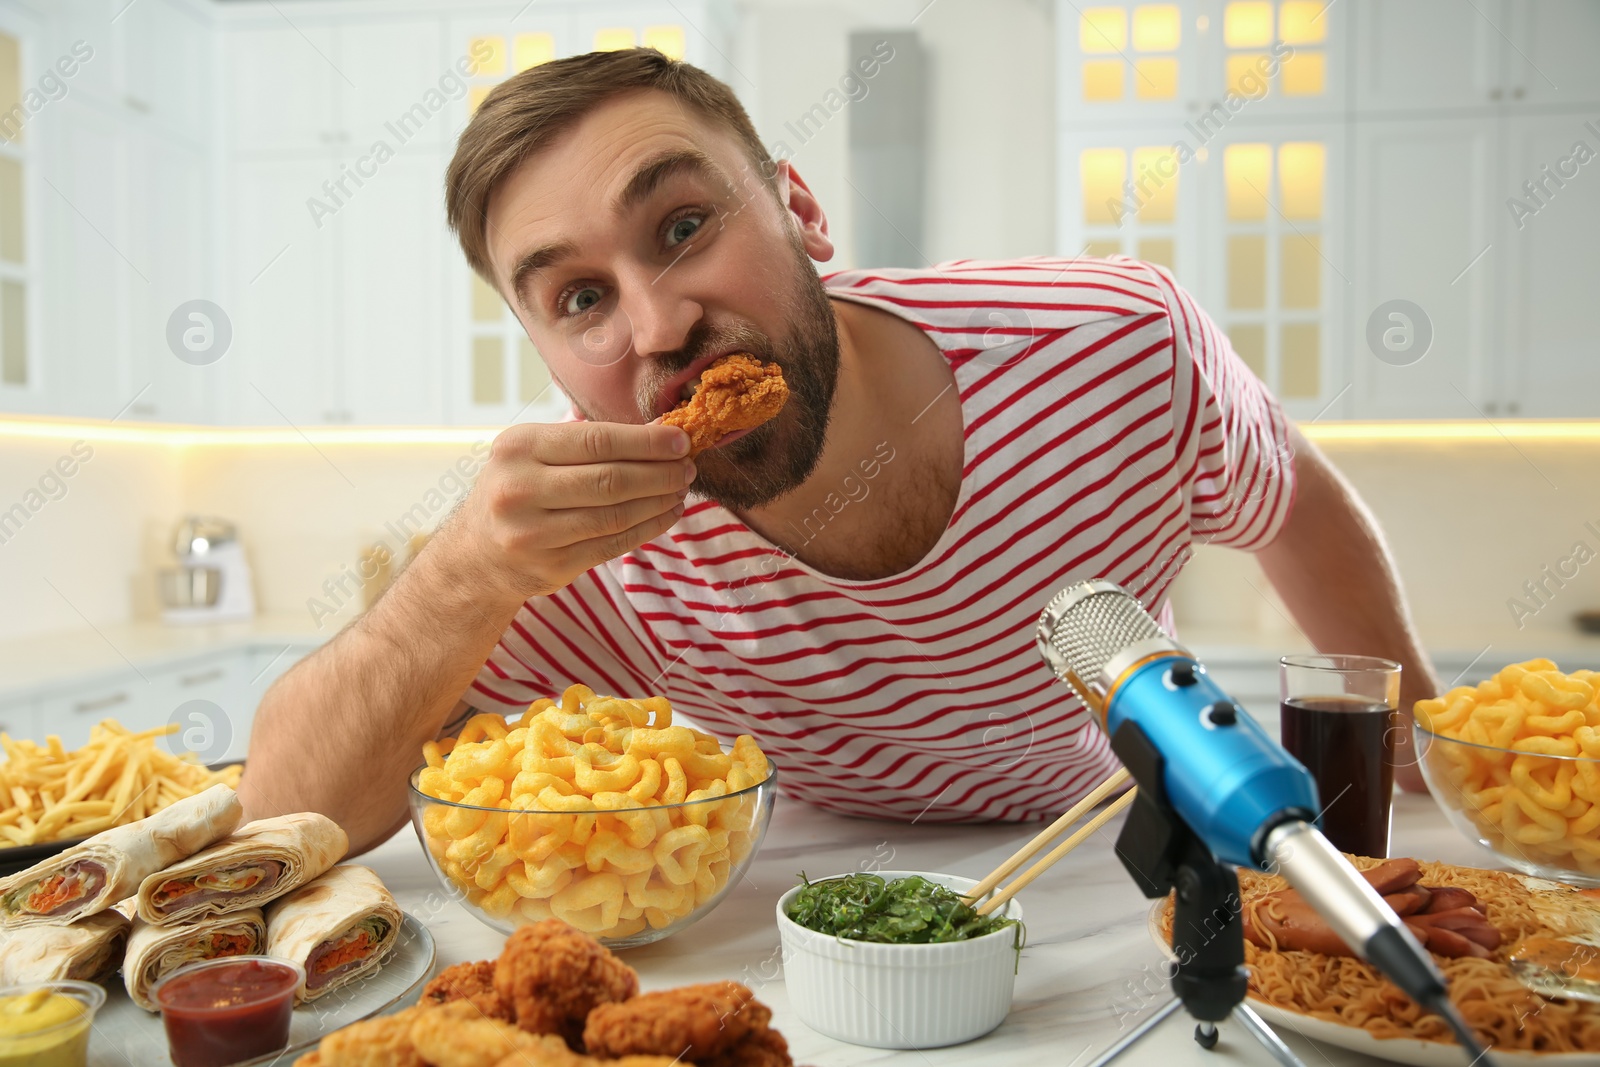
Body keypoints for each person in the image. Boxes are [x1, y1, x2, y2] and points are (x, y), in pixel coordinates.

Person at [241, 48, 1439, 854]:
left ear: (799, 211)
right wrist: (457, 575)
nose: (659, 327)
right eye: (577, 299)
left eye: (683, 226)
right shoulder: (596, 542)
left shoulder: (1114, 344)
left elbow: (1291, 501)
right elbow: (288, 815)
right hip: (821, 881)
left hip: (1109, 838)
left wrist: (1423, 762)